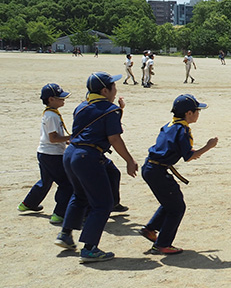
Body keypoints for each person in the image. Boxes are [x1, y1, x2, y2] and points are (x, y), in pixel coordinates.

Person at [54, 72, 138, 263]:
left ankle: (65, 234)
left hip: (71, 154)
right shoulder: (111, 110)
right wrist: (129, 160)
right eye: (113, 87)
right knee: (103, 203)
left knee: (80, 195)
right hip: (88, 157)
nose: (116, 90)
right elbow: (114, 138)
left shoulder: (81, 107)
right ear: (105, 91)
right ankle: (89, 248)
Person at [140, 94, 218, 255]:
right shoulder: (183, 130)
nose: (198, 114)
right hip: (158, 171)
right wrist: (208, 146)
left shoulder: (170, 125)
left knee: (171, 202)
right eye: (196, 111)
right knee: (177, 208)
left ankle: (150, 229)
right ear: (188, 113)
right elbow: (188, 156)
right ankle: (162, 244)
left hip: (150, 168)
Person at [18, 83, 73, 225]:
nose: (63, 100)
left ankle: (28, 203)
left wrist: (66, 141)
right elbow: (53, 138)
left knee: (45, 181)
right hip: (52, 155)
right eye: (60, 98)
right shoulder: (52, 116)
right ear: (51, 99)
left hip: (44, 153)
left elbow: (54, 136)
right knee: (66, 184)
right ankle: (59, 214)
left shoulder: (51, 113)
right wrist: (70, 137)